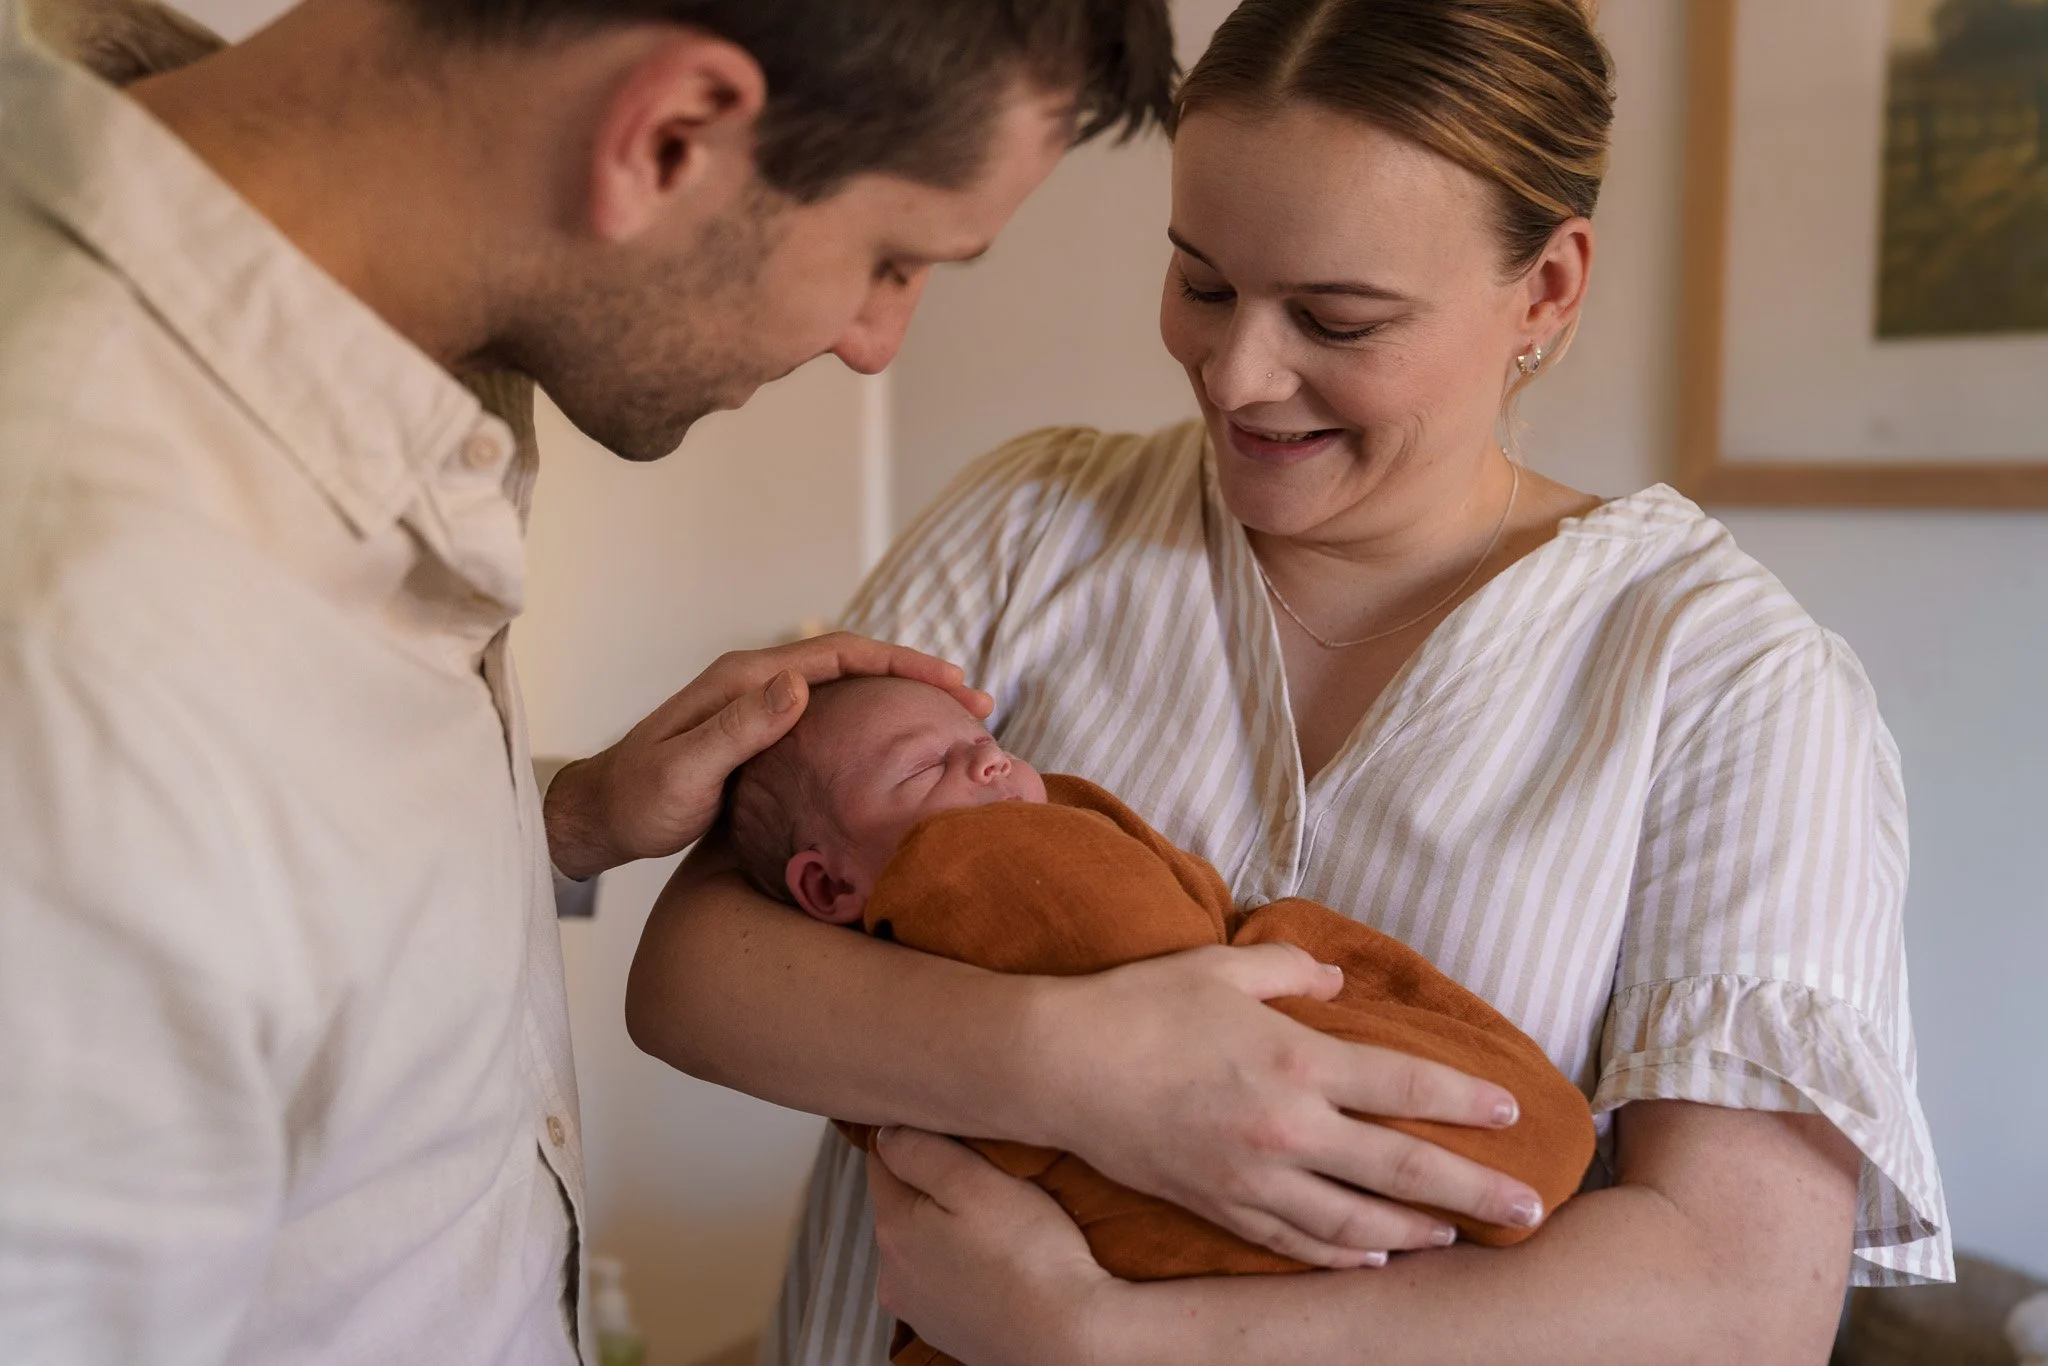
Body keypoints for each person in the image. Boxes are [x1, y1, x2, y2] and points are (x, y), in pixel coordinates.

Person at [626, 1, 1953, 1362]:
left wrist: (1107, 1341)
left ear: (1547, 289)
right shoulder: (1034, 523)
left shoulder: (1730, 683)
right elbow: (691, 970)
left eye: (1337, 317)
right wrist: (1078, 1065)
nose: (1240, 376)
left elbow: (1741, 1296)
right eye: (1202, 282)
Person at [0, 0, 1176, 1360]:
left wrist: (556, 821)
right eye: (892, 258)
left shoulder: (350, 352)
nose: (874, 341)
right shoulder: (90, 650)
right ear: (670, 137)